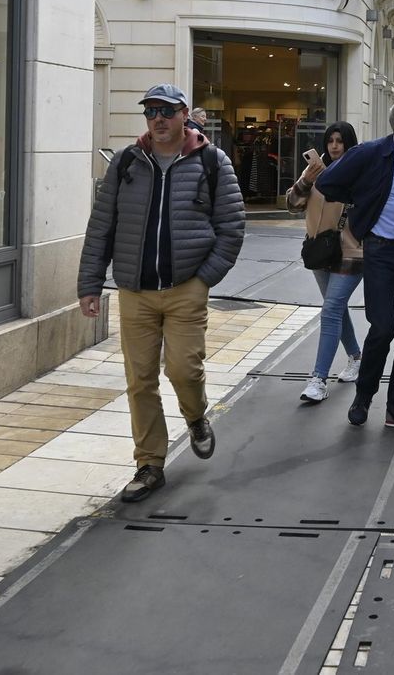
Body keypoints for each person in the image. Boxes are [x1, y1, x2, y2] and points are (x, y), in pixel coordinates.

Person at [77, 83, 246, 503]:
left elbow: (231, 227)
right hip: (135, 290)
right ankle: (149, 463)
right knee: (140, 381)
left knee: (184, 370)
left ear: (183, 114)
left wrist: (204, 278)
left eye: (166, 111)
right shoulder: (126, 162)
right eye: (151, 111)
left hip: (186, 287)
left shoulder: (211, 160)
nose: (158, 119)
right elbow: (102, 226)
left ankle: (195, 417)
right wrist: (90, 283)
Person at [315, 98, 394, 432]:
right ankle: (363, 397)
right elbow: (328, 183)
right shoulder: (371, 153)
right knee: (383, 328)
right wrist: (362, 204)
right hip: (380, 253)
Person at [286, 121, 364, 403]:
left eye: (340, 141)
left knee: (331, 310)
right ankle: (356, 357)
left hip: (351, 254)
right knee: (337, 310)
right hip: (319, 253)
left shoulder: (359, 174)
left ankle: (318, 379)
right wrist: (306, 179)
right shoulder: (315, 173)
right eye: (330, 140)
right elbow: (293, 205)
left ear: (349, 144)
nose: (334, 145)